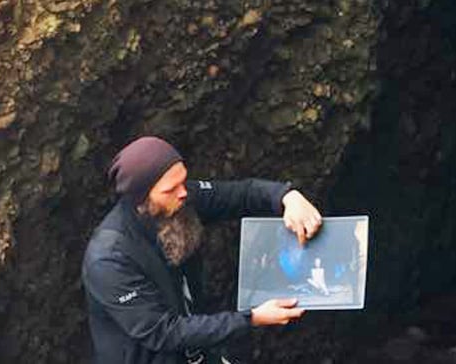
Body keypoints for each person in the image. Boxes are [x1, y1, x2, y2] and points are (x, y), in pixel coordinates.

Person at [82, 136, 323, 364]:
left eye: (183, 181)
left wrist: (287, 197)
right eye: (170, 189)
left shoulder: (182, 200)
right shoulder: (109, 259)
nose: (183, 193)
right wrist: (251, 318)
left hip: (197, 350)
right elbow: (163, 333)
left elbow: (241, 194)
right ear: (141, 198)